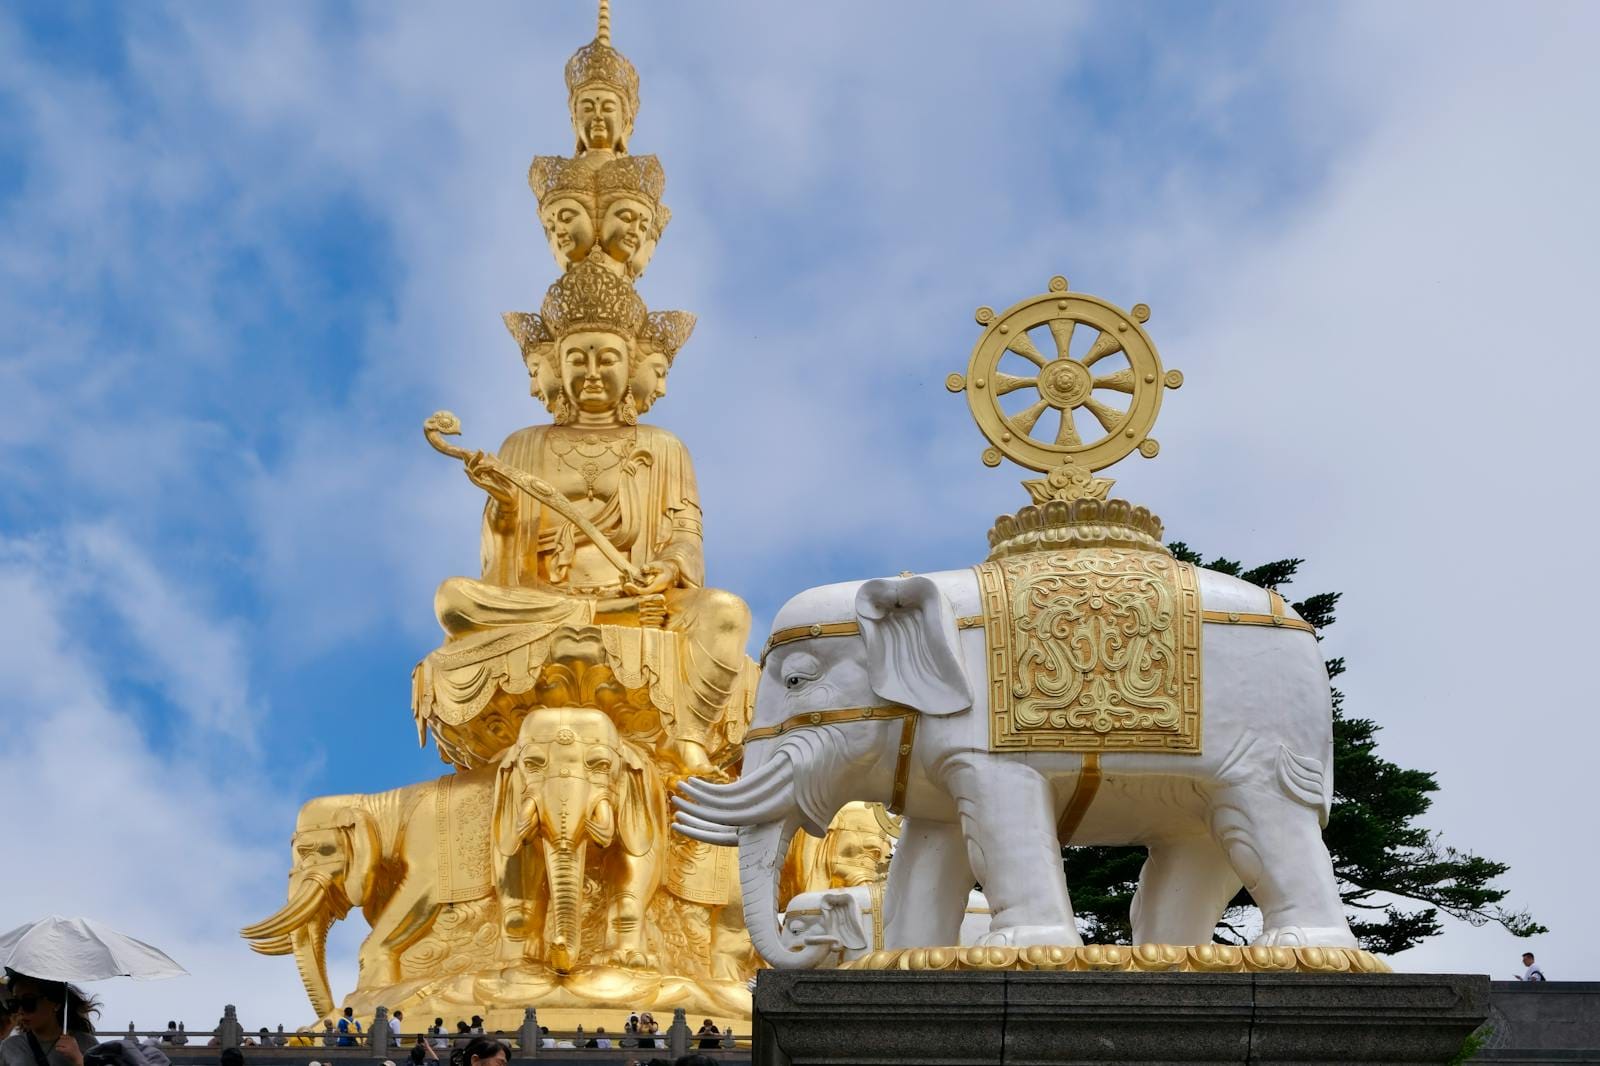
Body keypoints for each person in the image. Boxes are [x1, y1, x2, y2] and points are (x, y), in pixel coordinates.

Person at [0, 970, 100, 1066]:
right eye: (15, 1003)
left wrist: (78, 1060)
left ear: (56, 1003)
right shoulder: (10, 1046)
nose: (20, 1011)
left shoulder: (85, 1043)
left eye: (28, 1002)